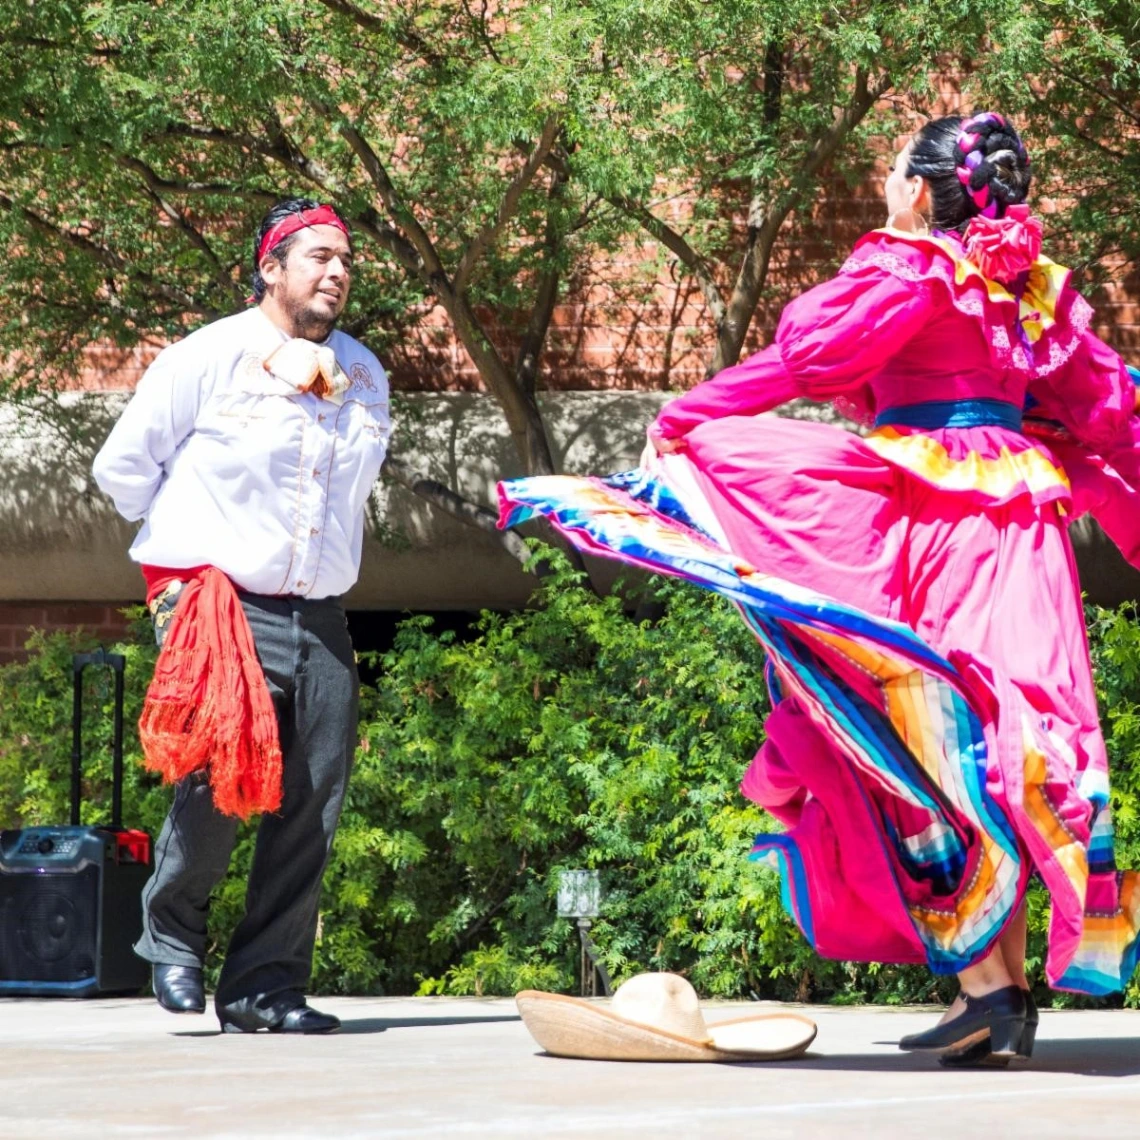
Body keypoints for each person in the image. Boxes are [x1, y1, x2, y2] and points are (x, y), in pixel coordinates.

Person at [498, 113, 1140, 1066]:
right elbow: (1117, 414)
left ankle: (991, 994)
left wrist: (686, 416)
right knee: (994, 742)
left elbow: (804, 363)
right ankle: (995, 1001)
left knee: (910, 734)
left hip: (935, 528)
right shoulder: (1033, 296)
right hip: (1021, 531)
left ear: (921, 190)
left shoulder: (917, 270)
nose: (884, 181)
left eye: (891, 168)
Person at [93, 198, 391, 1034]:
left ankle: (264, 986)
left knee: (314, 797)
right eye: (318, 257)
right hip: (217, 594)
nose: (336, 272)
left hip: (321, 609)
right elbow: (124, 468)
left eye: (345, 260)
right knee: (224, 773)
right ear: (272, 268)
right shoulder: (208, 356)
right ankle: (173, 932)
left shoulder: (365, 373)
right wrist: (183, 559)